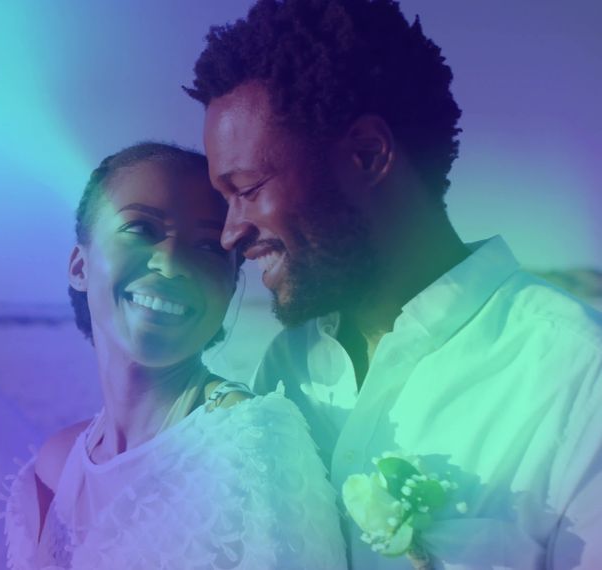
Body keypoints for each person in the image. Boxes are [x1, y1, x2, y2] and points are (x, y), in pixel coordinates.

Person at [187, 1, 602, 568]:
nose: (231, 232)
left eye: (249, 187)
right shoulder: (288, 368)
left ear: (367, 155)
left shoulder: (577, 376)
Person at [3, 142, 347, 569]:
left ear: (230, 286)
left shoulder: (251, 448)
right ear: (79, 266)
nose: (170, 263)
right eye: (141, 229)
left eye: (207, 247)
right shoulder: (57, 463)